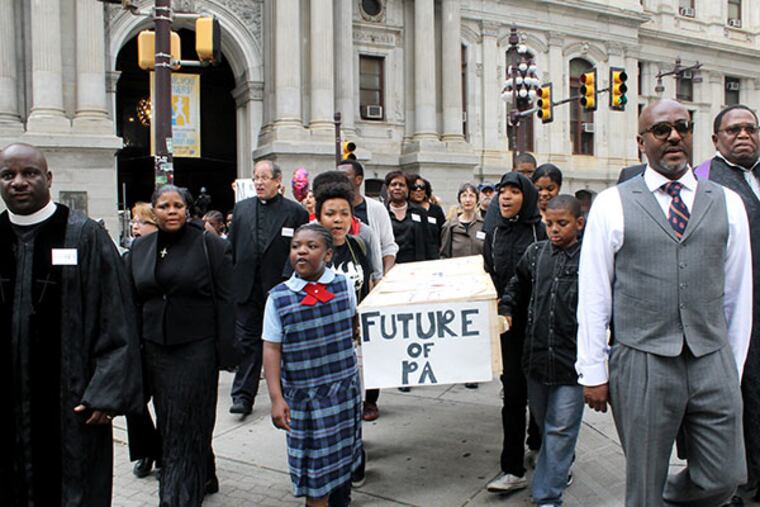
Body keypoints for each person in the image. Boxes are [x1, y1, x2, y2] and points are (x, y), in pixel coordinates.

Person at [578, 99, 752, 507]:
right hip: (642, 360)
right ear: (642, 143)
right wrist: (593, 370)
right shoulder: (612, 203)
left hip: (712, 358)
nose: (674, 136)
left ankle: (672, 499)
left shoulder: (727, 202)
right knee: (643, 485)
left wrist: (733, 365)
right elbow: (594, 294)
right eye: (662, 130)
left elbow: (738, 292)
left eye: (683, 127)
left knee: (724, 478)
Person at [0, 142, 143, 505]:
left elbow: (117, 317)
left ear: (48, 178)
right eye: (8, 175)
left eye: (29, 173)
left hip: (71, 406)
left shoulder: (83, 236)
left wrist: (106, 392)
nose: (18, 182)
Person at [128, 185, 234, 505]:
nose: (171, 211)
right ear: (154, 211)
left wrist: (227, 350)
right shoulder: (141, 248)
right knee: (172, 420)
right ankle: (206, 471)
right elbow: (132, 299)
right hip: (156, 349)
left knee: (185, 424)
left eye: (177, 206)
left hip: (196, 349)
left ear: (187, 210)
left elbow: (227, 299)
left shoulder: (208, 244)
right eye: (163, 206)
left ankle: (177, 497)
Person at [263, 223, 362, 507]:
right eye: (296, 247)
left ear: (329, 254)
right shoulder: (279, 298)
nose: (302, 251)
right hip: (306, 400)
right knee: (315, 477)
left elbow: (353, 324)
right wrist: (275, 398)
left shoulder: (343, 285)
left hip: (344, 393)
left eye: (311, 246)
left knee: (342, 462)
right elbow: (271, 348)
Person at [500, 195, 585, 506]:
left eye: (562, 224)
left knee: (560, 428)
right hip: (535, 359)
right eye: (549, 223)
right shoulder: (535, 254)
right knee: (547, 423)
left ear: (579, 223)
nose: (554, 230)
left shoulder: (590, 256)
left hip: (573, 363)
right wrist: (506, 307)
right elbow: (516, 285)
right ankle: (561, 461)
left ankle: (547, 496)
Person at [701, 104, 760, 505]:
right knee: (742, 397)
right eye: (733, 129)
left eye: (750, 129)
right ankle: (745, 481)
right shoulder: (705, 181)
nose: (743, 135)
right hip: (734, 313)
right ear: (717, 138)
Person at [228, 160, 310, 417]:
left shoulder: (295, 212)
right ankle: (243, 395)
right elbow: (231, 248)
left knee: (283, 341)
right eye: (256, 178)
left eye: (264, 177)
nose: (259, 182)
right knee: (247, 343)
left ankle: (288, 391)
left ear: (278, 181)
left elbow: (301, 249)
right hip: (247, 287)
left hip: (281, 287)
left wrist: (289, 277)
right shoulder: (241, 210)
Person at [484, 171, 545, 494]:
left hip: (538, 327)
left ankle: (541, 446)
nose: (505, 197)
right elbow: (489, 274)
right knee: (513, 395)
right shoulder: (494, 233)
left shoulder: (540, 231)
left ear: (528, 196)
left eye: (513, 191)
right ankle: (512, 467)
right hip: (506, 325)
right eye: (501, 191)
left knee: (538, 392)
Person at [125, 201, 163, 479]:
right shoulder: (129, 257)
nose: (135, 227)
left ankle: (165, 452)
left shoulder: (167, 254)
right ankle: (146, 449)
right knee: (134, 403)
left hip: (163, 339)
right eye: (133, 222)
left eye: (141, 222)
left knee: (166, 403)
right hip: (134, 338)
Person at [337, 159, 398, 275]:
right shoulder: (331, 210)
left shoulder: (377, 208)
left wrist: (383, 276)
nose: (340, 181)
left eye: (344, 176)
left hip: (370, 278)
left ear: (358, 180)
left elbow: (388, 246)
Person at [315, 182, 373, 301]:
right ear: (319, 218)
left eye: (345, 214)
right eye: (330, 214)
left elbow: (367, 285)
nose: (338, 219)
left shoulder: (359, 245)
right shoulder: (309, 249)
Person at [384, 170, 439, 263]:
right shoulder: (382, 212)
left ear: (408, 189)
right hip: (389, 266)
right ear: (387, 189)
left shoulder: (419, 212)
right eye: (393, 184)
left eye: (401, 185)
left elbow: (429, 243)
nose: (397, 188)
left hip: (416, 266)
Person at [440, 183, 485, 260]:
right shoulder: (450, 226)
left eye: (471, 196)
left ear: (477, 200)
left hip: (478, 270)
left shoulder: (483, 225)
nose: (468, 200)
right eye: (464, 196)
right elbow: (444, 255)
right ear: (459, 200)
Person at [408, 175, 446, 252]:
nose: (418, 190)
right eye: (414, 187)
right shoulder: (407, 209)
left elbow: (443, 233)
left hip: (434, 254)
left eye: (422, 187)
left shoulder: (436, 209)